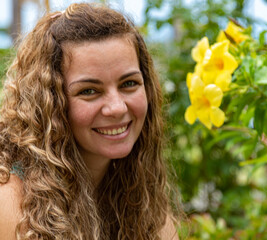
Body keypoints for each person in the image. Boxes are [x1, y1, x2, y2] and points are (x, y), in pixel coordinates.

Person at [0, 3, 179, 240]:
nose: (117, 107)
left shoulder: (140, 201)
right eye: (89, 91)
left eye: (129, 84)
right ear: (49, 102)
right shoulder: (10, 205)